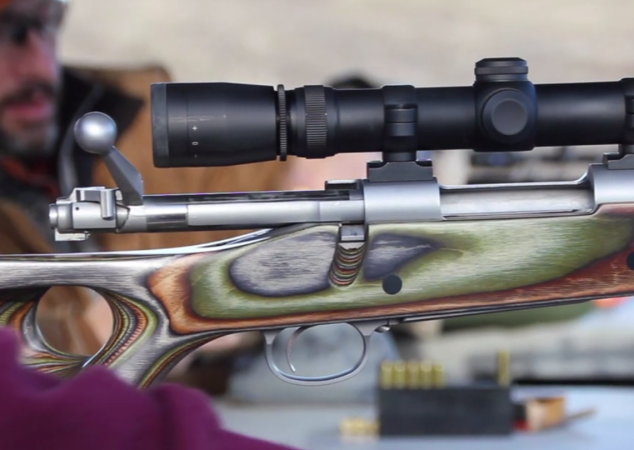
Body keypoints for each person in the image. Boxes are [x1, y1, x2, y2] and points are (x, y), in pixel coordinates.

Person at [0, 0, 380, 390]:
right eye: (6, 34)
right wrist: (104, 333)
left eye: (44, 23)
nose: (40, 65)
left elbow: (265, 179)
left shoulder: (129, 113)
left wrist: (322, 165)